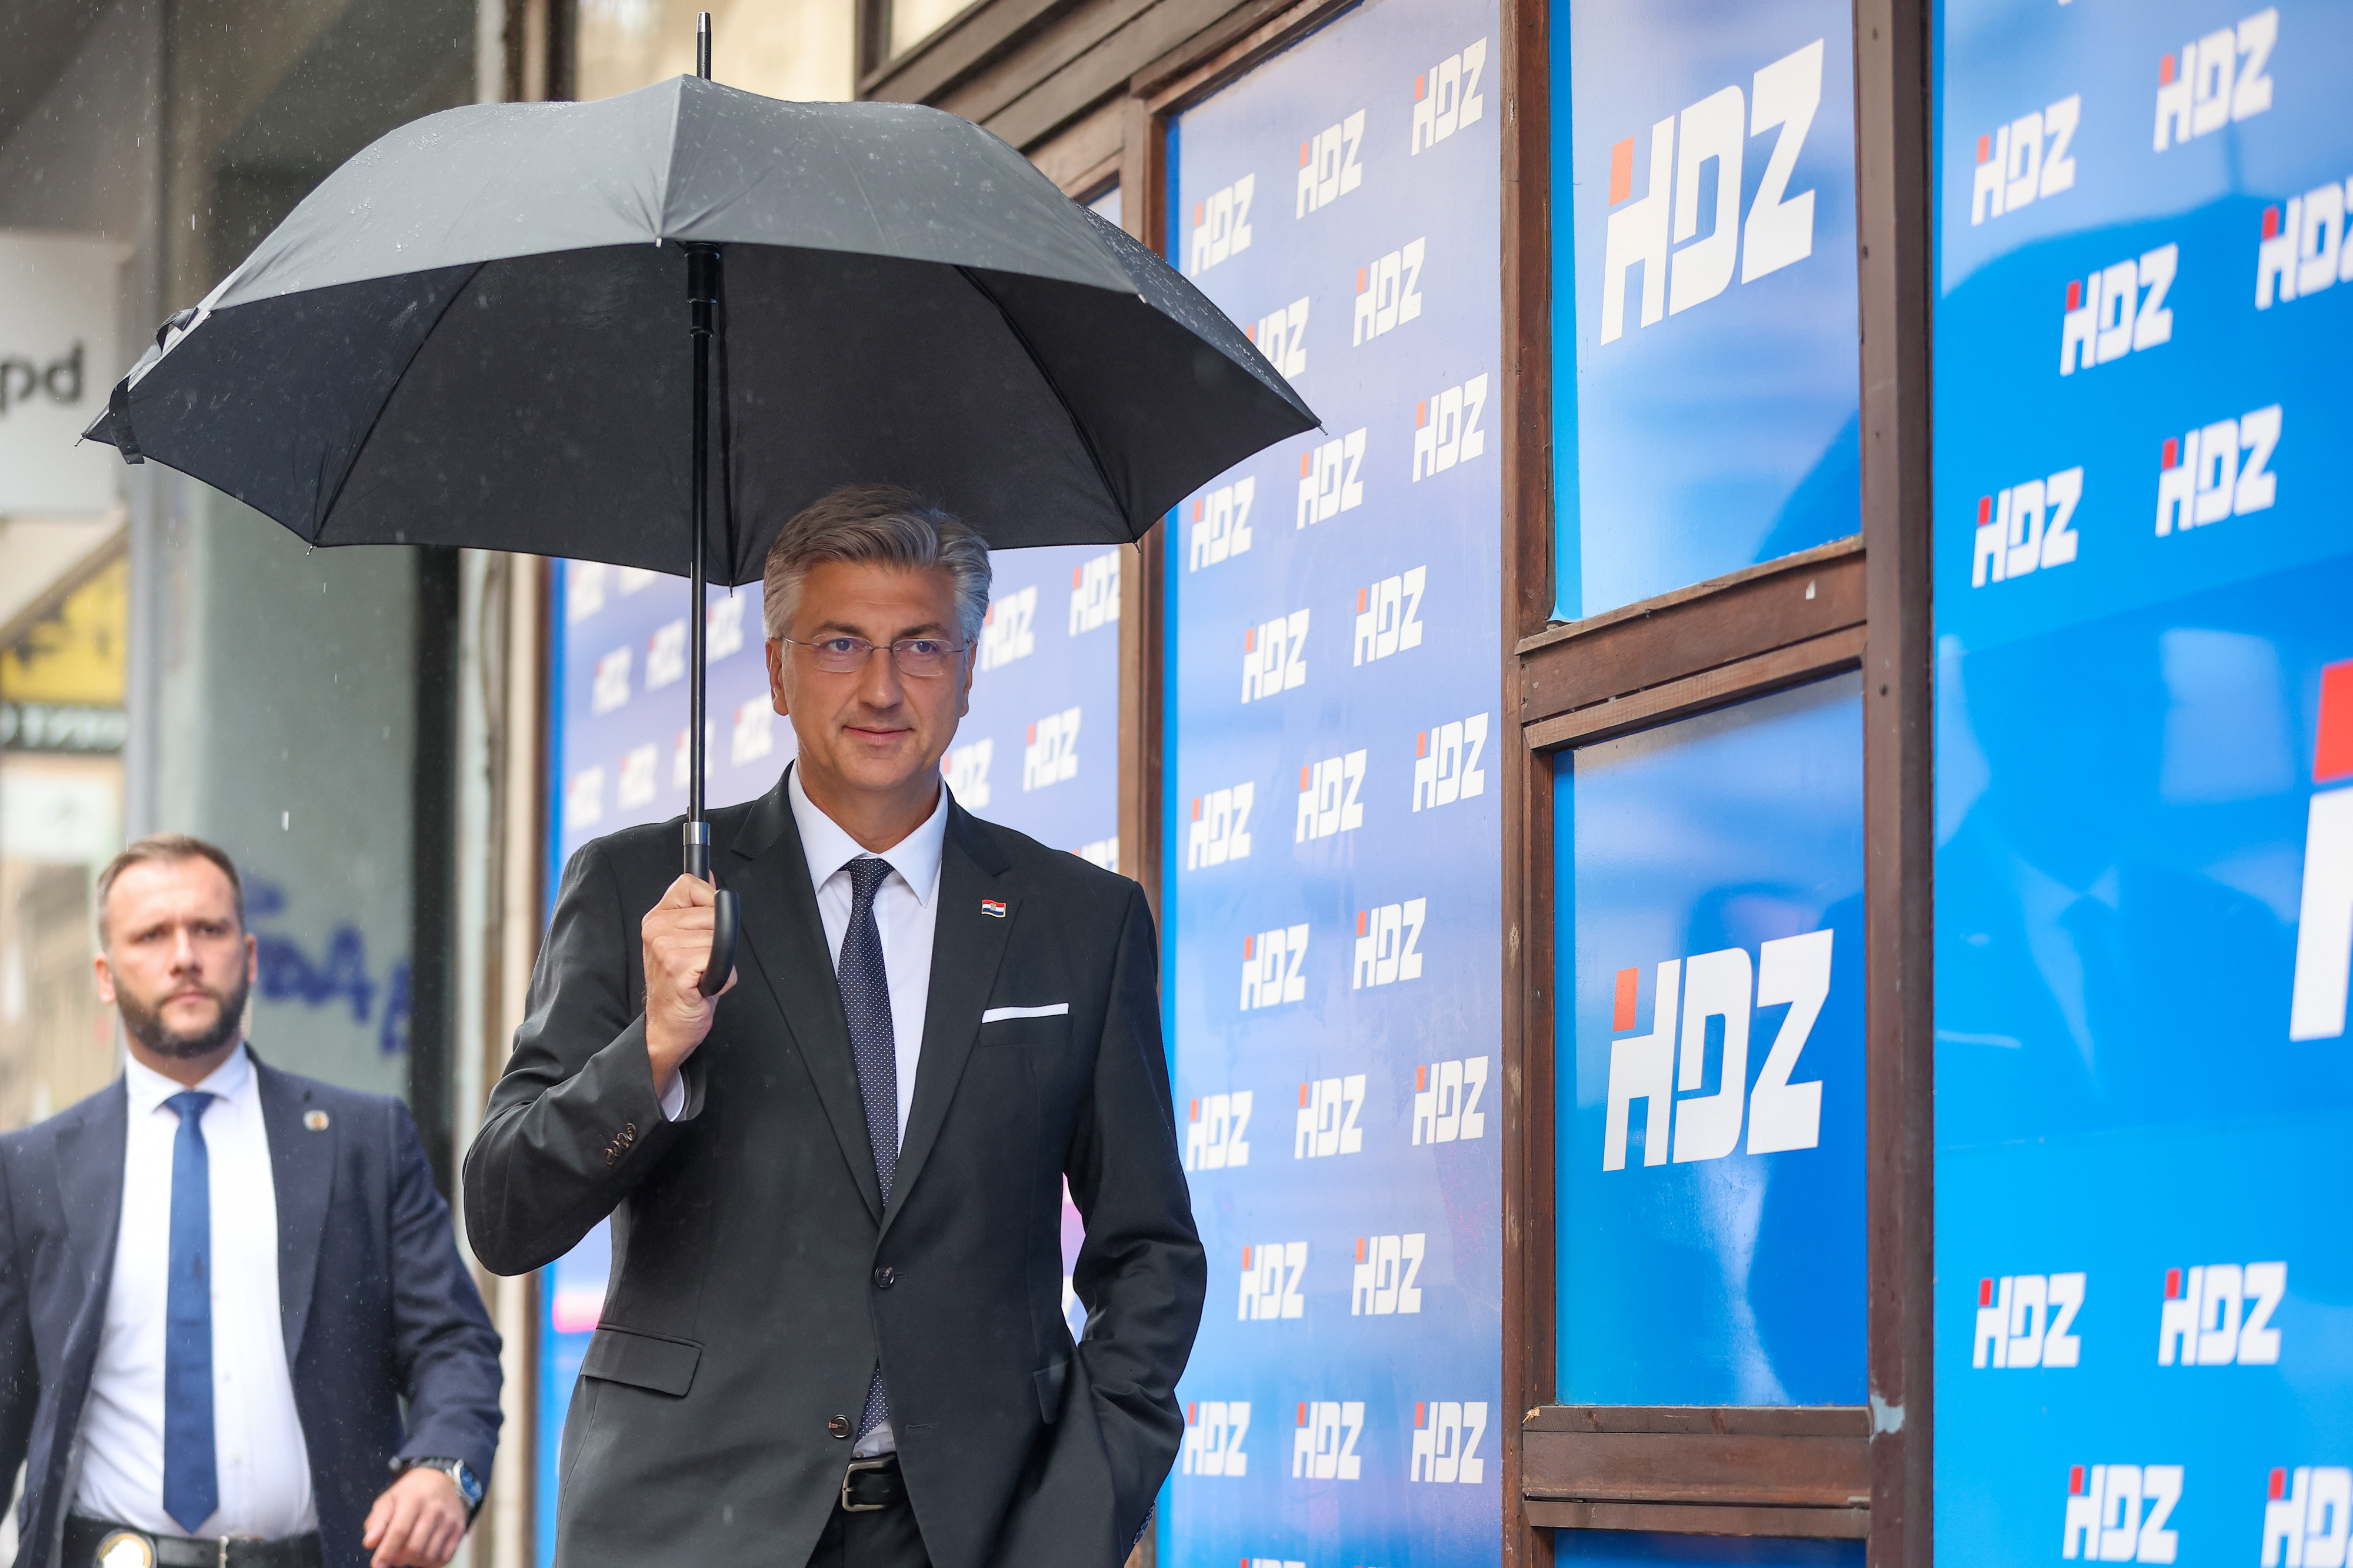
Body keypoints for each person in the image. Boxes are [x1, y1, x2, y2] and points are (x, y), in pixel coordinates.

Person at [464, 484, 1204, 1568]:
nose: (882, 688)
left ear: (968, 668)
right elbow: (506, 1214)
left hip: (973, 1534)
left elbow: (1149, 1255)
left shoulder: (1078, 923)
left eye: (921, 647)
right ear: (776, 669)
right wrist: (655, 1044)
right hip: (686, 1529)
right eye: (840, 644)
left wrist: (1069, 1524)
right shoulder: (640, 889)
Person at [0, 835, 504, 1568]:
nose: (184, 955)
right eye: (152, 934)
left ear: (252, 954)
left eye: (209, 928)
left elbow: (452, 1343)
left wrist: (443, 1469)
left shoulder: (361, 1140)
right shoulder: (33, 1166)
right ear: (105, 977)